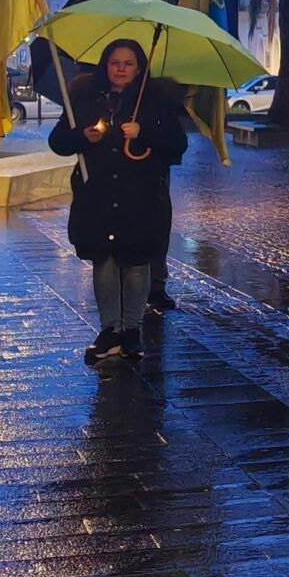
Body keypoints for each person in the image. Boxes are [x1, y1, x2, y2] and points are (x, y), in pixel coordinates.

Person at [48, 39, 189, 364]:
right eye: (115, 63)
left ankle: (131, 331)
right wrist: (82, 136)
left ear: (139, 67)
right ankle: (110, 329)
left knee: (136, 265)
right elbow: (58, 142)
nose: (121, 69)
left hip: (140, 198)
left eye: (128, 63)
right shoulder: (84, 99)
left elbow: (177, 145)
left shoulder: (155, 102)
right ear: (105, 66)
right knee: (104, 263)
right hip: (96, 195)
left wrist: (144, 133)